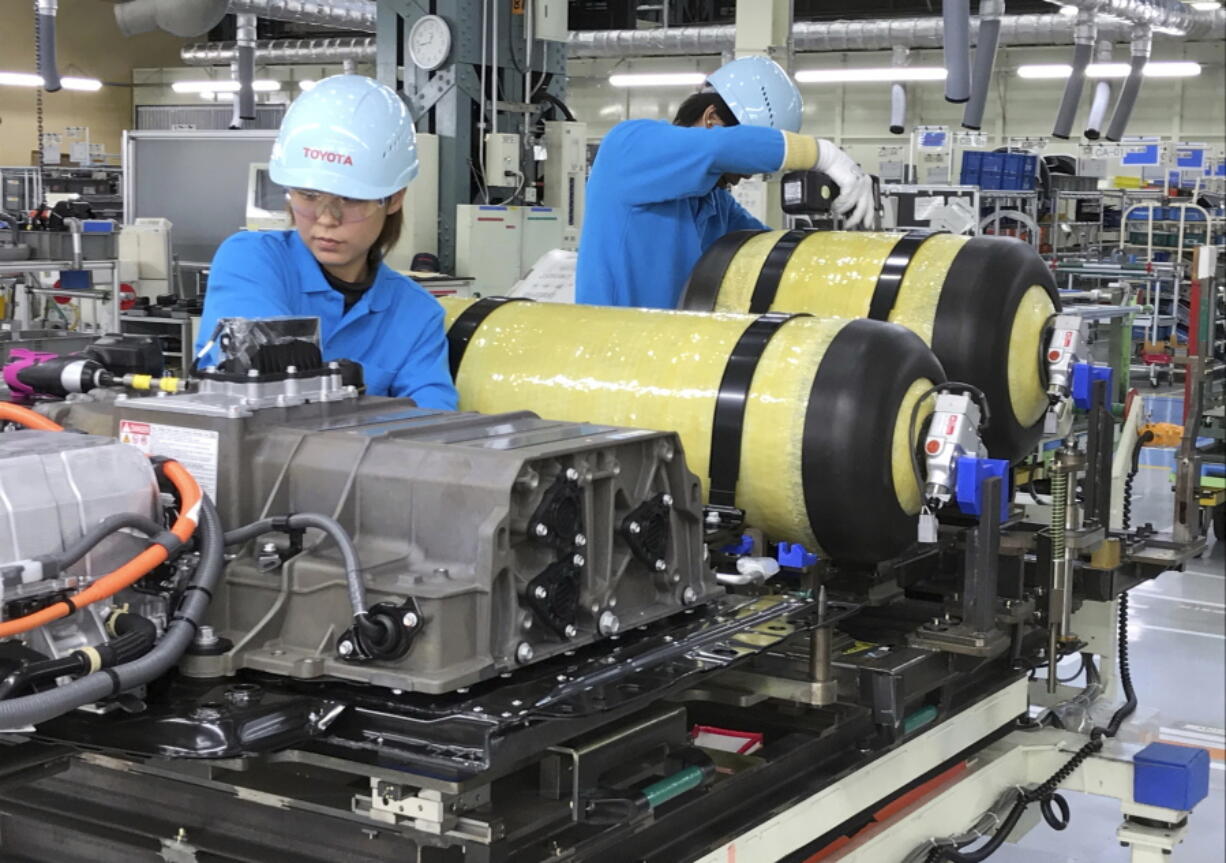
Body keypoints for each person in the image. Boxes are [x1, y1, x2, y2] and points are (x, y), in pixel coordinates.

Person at [194, 74, 457, 410]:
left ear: (393, 200)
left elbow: (435, 422)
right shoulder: (252, 261)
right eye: (308, 195)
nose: (327, 218)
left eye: (350, 199)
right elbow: (263, 376)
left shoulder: (416, 313)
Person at [576, 56, 874, 309]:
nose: (747, 174)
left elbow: (763, 247)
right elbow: (720, 148)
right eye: (745, 161)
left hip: (667, 352)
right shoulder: (628, 145)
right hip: (609, 349)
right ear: (712, 120)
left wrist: (843, 255)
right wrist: (823, 154)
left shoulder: (714, 202)